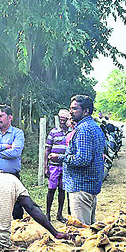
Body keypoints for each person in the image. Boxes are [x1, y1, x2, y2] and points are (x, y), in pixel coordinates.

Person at [49, 95, 105, 225]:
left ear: (85, 111)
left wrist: (60, 158)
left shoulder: (83, 130)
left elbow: (82, 160)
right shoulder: (93, 126)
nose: (70, 112)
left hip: (81, 187)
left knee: (81, 231)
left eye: (75, 109)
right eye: (70, 109)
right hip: (89, 186)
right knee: (89, 229)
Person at [44, 109, 72, 222]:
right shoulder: (53, 132)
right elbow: (47, 149)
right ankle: (47, 214)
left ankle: (59, 214)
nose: (62, 122)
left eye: (64, 120)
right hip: (53, 166)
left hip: (66, 166)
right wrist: (45, 166)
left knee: (62, 190)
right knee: (51, 190)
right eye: (60, 119)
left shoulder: (71, 132)